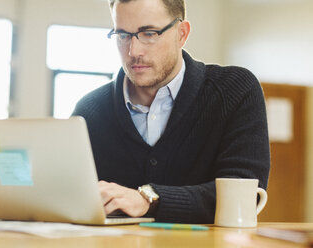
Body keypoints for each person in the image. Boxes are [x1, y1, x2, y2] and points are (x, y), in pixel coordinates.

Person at [72, 0, 270, 224]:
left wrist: (148, 199)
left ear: (181, 34)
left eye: (149, 33)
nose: (133, 51)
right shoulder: (88, 111)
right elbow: (67, 196)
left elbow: (244, 195)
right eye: (122, 35)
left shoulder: (235, 91)